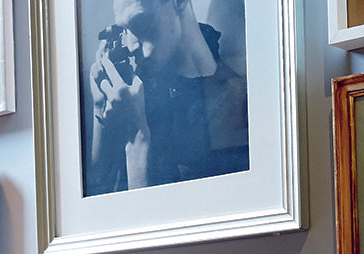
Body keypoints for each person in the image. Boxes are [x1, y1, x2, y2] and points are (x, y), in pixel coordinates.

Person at [85, 0, 249, 194]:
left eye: (141, 23)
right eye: (125, 30)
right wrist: (99, 111)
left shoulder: (235, 102)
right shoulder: (135, 96)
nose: (130, 46)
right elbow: (96, 198)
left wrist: (137, 135)